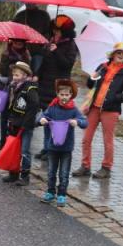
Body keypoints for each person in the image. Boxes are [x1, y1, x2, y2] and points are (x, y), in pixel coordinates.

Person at [72, 42, 123, 180]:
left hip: (111, 110)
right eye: (119, 53)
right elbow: (90, 85)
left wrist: (115, 97)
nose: (121, 55)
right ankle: (85, 166)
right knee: (86, 138)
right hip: (94, 107)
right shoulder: (102, 67)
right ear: (113, 54)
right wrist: (91, 78)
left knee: (108, 140)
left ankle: (106, 168)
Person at [33, 15, 78, 160]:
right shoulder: (50, 41)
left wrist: (56, 51)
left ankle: (52, 148)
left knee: (55, 119)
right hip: (45, 84)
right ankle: (46, 147)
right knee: (46, 118)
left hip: (59, 86)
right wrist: (37, 74)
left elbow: (67, 64)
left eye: (59, 31)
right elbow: (44, 61)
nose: (56, 33)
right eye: (54, 30)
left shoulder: (70, 45)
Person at [37, 79, 87, 207]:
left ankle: (62, 194)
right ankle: (50, 192)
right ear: (57, 95)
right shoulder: (52, 107)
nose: (64, 97)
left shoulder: (73, 110)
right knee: (51, 172)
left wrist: (77, 122)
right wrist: (42, 119)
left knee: (64, 173)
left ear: (71, 95)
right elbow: (43, 115)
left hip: (66, 148)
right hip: (52, 146)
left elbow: (84, 121)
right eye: (62, 94)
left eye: (67, 95)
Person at [0, 62, 40, 186]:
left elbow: (34, 106)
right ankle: (13, 173)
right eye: (13, 74)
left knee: (24, 151)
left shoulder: (29, 89)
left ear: (24, 75)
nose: (14, 77)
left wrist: (26, 124)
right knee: (14, 149)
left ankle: (25, 176)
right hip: (14, 122)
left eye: (17, 75)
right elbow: (12, 105)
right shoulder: (14, 87)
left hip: (25, 125)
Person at [12, 4, 52, 74]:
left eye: (31, 2)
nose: (29, 3)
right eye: (27, 2)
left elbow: (48, 32)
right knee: (21, 74)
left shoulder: (43, 15)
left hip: (38, 51)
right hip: (22, 52)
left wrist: (40, 41)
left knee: (35, 74)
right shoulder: (20, 16)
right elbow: (13, 33)